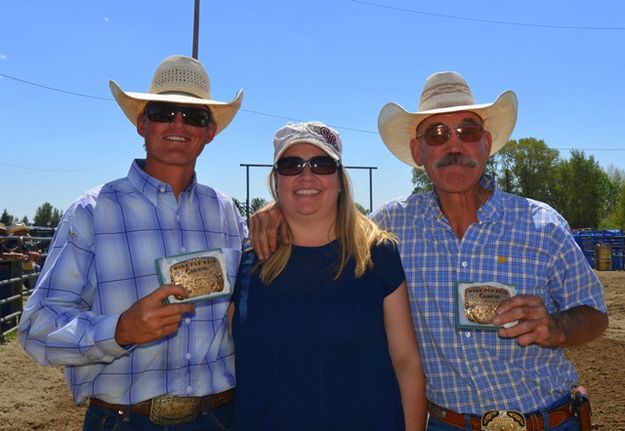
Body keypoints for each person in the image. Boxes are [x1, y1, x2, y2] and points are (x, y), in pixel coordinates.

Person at [250, 72, 608, 431]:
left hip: (547, 420)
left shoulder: (542, 224)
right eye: (436, 134)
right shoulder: (391, 226)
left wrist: (558, 327)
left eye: (467, 132)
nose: (454, 146)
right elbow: (327, 221)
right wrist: (278, 208)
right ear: (417, 151)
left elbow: (595, 313)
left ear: (485, 143)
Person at [19, 55, 246, 431]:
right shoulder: (91, 212)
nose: (179, 124)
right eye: (163, 112)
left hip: (219, 415)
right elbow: (36, 328)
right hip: (125, 420)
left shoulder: (227, 214)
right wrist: (120, 330)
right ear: (142, 124)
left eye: (194, 116)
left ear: (210, 132)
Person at [233, 121, 427, 430]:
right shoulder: (246, 261)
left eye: (322, 164)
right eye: (291, 164)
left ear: (339, 179)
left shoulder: (378, 254)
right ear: (276, 179)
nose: (306, 175)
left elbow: (406, 363)